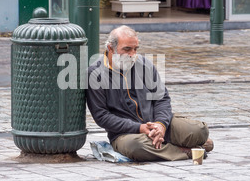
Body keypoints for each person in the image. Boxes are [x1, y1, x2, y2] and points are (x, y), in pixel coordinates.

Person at [86, 25, 213, 162]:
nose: (132, 54)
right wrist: (140, 128)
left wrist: (161, 124)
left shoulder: (144, 64)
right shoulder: (95, 73)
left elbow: (162, 98)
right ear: (110, 48)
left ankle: (172, 143)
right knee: (137, 147)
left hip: (157, 124)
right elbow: (102, 116)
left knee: (200, 130)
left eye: (135, 49)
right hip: (127, 134)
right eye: (127, 49)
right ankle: (185, 150)